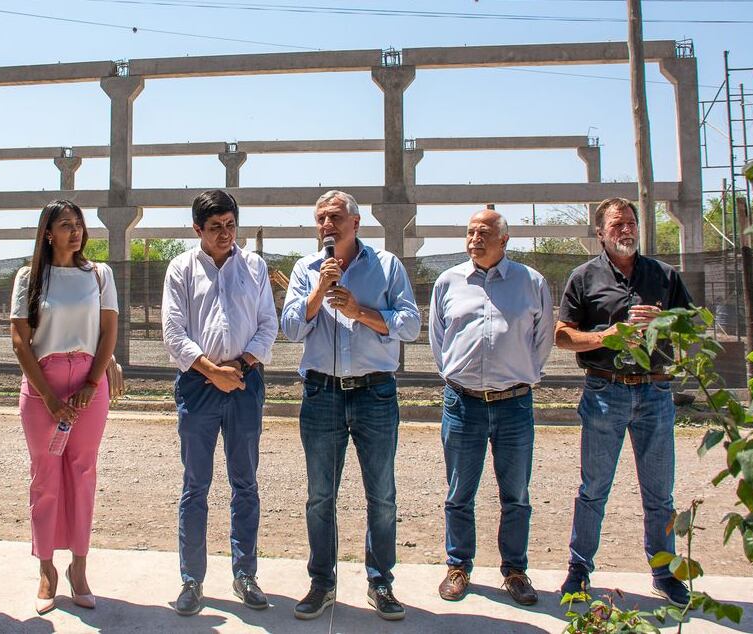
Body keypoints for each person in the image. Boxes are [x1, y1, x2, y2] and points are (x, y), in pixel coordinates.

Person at [280, 190, 421, 622]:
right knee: (320, 496)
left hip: (375, 393)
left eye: (336, 217)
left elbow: (411, 324)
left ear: (356, 223)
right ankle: (322, 582)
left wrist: (362, 312)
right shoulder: (306, 269)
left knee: (381, 495)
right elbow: (290, 329)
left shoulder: (387, 266)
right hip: (322, 393)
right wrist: (320, 290)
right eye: (321, 217)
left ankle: (381, 583)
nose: (328, 224)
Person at [555, 197, 693, 608]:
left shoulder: (664, 276)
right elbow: (562, 336)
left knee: (659, 493)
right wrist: (607, 336)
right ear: (600, 232)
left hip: (655, 391)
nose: (626, 230)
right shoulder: (583, 277)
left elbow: (693, 328)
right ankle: (579, 570)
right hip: (604, 391)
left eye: (630, 222)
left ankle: (664, 572)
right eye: (617, 225)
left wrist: (665, 322)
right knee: (593, 489)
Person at [161, 189, 278, 616]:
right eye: (215, 228)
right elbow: (174, 334)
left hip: (246, 383)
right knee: (196, 486)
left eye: (230, 225)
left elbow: (268, 323)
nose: (225, 234)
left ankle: (245, 573)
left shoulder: (254, 267)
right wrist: (213, 372)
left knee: (245, 483)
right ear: (197, 230)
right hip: (198, 384)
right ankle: (192, 580)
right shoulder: (181, 269)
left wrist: (242, 366)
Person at [428, 209, 553, 606]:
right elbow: (438, 339)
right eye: (470, 232)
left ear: (505, 239)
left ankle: (515, 571)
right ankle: (458, 566)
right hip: (462, 403)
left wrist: (522, 373)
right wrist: (456, 374)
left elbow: (543, 338)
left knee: (515, 492)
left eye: (484, 232)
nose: (475, 238)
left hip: (514, 404)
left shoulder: (530, 282)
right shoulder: (448, 282)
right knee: (459, 491)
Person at [10, 200, 118, 614]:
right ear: (47, 233)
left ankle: (80, 567)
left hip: (89, 382)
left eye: (79, 224)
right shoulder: (29, 277)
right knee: (45, 476)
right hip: (43, 386)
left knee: (82, 472)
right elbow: (20, 341)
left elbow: (108, 331)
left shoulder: (99, 274)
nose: (75, 231)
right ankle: (46, 568)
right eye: (65, 225)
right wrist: (50, 399)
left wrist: (93, 382)